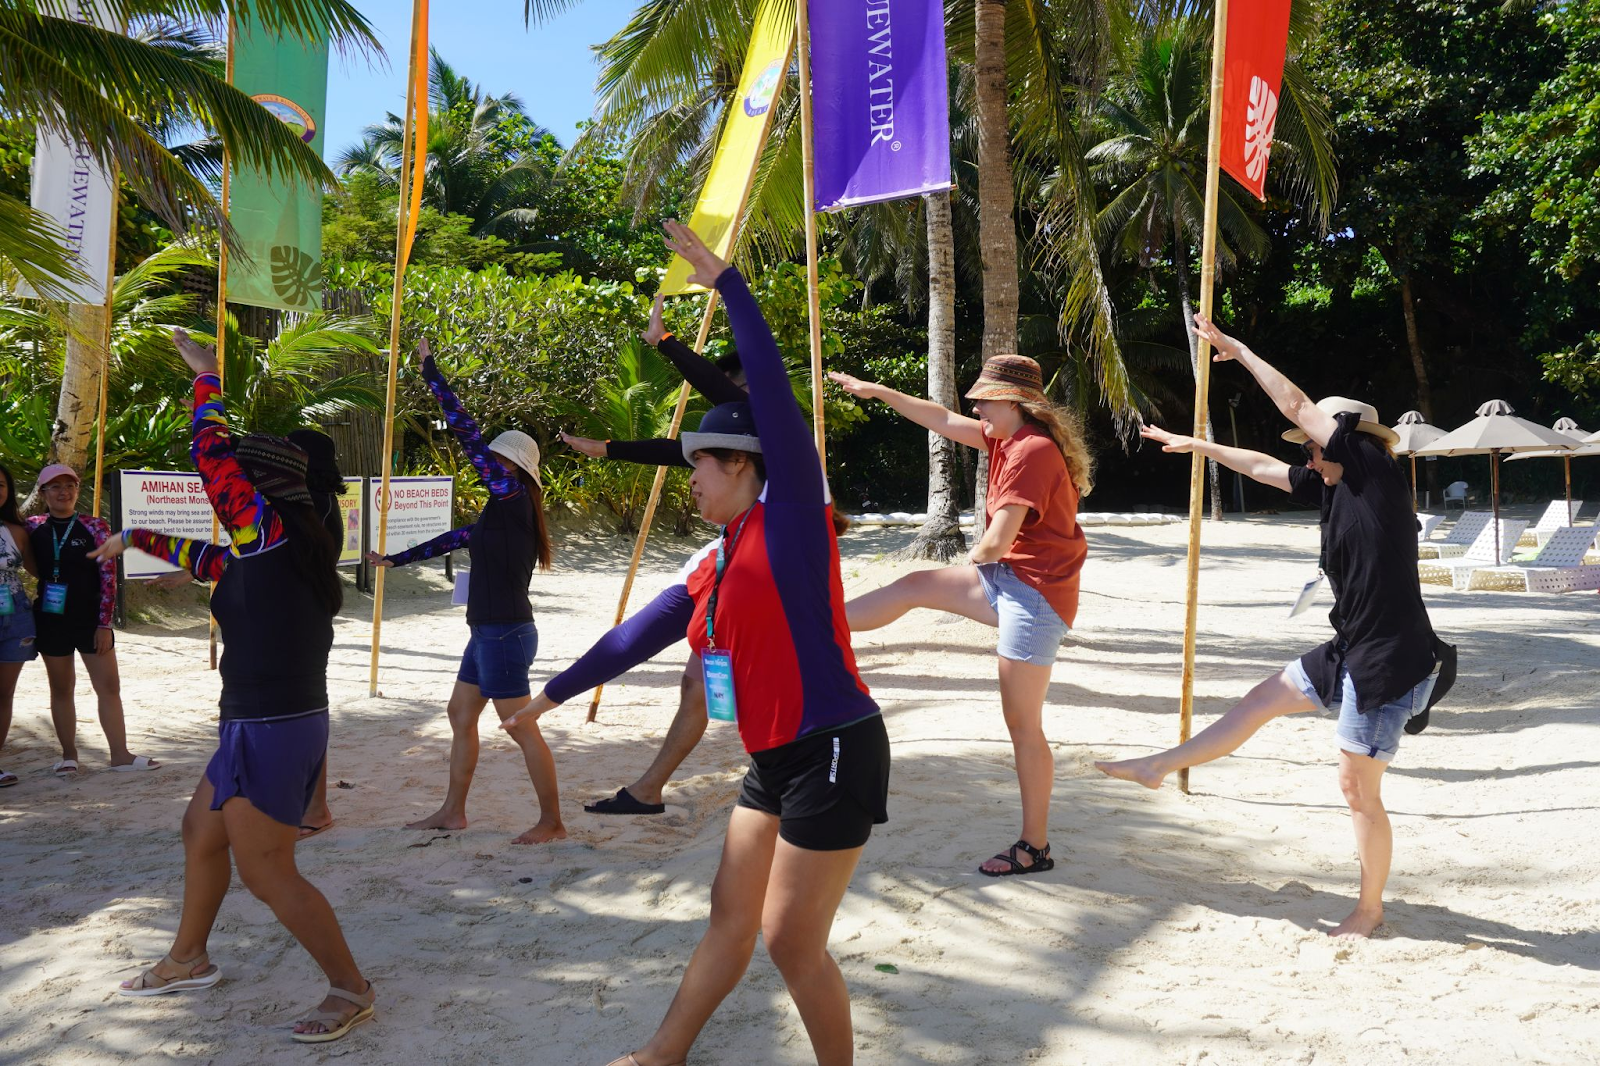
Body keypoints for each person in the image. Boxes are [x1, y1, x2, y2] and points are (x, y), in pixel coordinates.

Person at [503, 220, 889, 1066]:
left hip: (834, 749)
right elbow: (636, 634)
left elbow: (779, 402)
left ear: (744, 467)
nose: (693, 482)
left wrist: (729, 285)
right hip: (777, 757)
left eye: (700, 468)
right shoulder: (717, 560)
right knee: (731, 916)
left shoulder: (792, 523)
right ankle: (661, 1054)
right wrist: (548, 697)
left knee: (791, 940)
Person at [1095, 314, 1452, 940]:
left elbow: (1294, 401)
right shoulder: (1334, 486)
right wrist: (1199, 446)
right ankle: (1160, 765)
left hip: (1389, 659)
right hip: (1352, 646)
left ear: (1342, 439)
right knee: (1261, 699)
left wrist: (1235, 348)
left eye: (1314, 444)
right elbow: (1262, 466)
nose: (1307, 453)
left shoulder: (1369, 469)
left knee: (1356, 788)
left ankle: (1369, 910)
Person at [93, 328, 373, 1043]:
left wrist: (208, 380)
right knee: (200, 832)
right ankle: (189, 957)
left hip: (272, 726)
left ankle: (351, 987)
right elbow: (207, 561)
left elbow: (208, 456)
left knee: (268, 869)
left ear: (264, 486)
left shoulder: (273, 533)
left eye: (240, 482)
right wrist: (139, 538)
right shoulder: (277, 549)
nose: (227, 492)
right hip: (258, 722)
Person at [829, 354, 1091, 877]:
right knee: (915, 585)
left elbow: (996, 542)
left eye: (984, 399)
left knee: (1023, 726)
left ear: (1014, 402)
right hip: (1010, 580)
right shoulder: (1006, 437)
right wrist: (878, 389)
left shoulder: (1032, 452)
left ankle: (1034, 847)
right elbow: (942, 419)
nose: (974, 405)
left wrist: (970, 558)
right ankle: (819, 621)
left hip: (1036, 597)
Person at [558, 295, 747, 817]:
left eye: (740, 395)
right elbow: (681, 450)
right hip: (721, 571)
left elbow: (718, 399)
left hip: (762, 581)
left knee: (723, 683)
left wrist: (664, 343)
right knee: (696, 681)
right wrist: (608, 448)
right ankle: (647, 789)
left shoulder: (783, 439)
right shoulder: (737, 453)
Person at [367, 338, 559, 844]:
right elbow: (451, 539)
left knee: (520, 726)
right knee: (460, 713)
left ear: (512, 469)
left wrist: (432, 371)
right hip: (488, 632)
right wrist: (392, 560)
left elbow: (466, 432)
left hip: (505, 632)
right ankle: (453, 811)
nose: (488, 463)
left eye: (495, 459)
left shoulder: (513, 497)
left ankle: (551, 821)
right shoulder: (497, 514)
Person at [26, 464, 158, 776]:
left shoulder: (94, 526)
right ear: (43, 493)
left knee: (109, 688)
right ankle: (69, 756)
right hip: (50, 621)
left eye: (69, 486)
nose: (64, 492)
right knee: (61, 689)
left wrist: (104, 624)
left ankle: (120, 755)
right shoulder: (31, 527)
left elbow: (108, 578)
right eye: (55, 487)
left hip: (90, 621)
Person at [287, 428, 347, 840]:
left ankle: (316, 806)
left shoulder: (314, 506)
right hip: (302, 617)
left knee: (306, 713)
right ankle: (307, 803)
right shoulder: (311, 504)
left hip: (303, 621)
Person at [0, 462, 40, 787]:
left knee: (4, 694)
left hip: (17, 621)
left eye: (1, 484)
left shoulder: (18, 531)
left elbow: (42, 571)